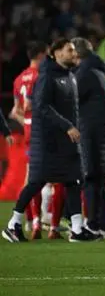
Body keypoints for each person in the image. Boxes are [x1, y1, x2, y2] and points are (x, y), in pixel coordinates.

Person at [3, 38, 94, 243]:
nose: (74, 53)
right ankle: (13, 224)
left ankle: (78, 230)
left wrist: (77, 126)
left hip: (67, 140)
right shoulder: (46, 76)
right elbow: (41, 107)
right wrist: (67, 126)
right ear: (56, 54)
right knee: (36, 182)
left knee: (73, 181)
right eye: (69, 50)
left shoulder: (69, 76)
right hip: (47, 140)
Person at [72, 38, 105, 237]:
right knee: (99, 180)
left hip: (91, 134)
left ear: (76, 55)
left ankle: (92, 224)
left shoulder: (84, 74)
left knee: (90, 179)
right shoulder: (98, 71)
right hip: (101, 134)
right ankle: (103, 225)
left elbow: (71, 99)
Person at [10, 41, 49, 239]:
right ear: (42, 55)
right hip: (44, 131)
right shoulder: (42, 77)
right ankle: (40, 221)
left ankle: (33, 221)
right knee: (49, 179)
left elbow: (15, 111)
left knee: (32, 178)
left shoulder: (18, 79)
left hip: (28, 133)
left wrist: (26, 121)